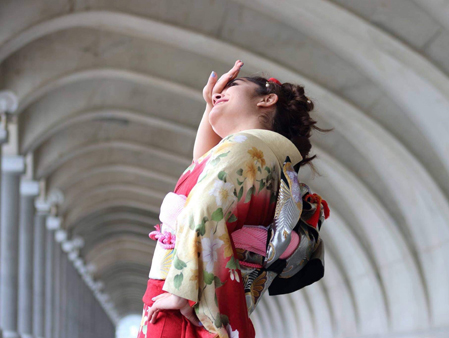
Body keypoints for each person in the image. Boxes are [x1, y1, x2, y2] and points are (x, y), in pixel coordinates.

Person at [137, 60, 332, 338]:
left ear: (267, 100)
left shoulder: (247, 148)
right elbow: (202, 167)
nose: (218, 92)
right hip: (198, 298)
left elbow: (204, 209)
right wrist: (210, 106)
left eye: (233, 85)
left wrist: (181, 289)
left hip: (182, 304)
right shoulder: (258, 154)